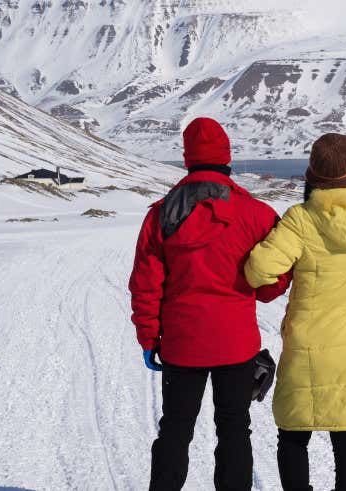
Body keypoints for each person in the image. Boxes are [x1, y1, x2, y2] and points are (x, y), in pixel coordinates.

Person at [129, 117, 290, 491]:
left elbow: (145, 285)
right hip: (236, 345)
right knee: (234, 428)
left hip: (182, 345)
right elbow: (271, 283)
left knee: (175, 428)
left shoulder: (161, 214)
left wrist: (149, 338)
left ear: (188, 158)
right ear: (226, 156)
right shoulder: (257, 214)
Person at [243, 134, 346, 491]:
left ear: (312, 175)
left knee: (294, 435)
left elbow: (258, 270)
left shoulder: (301, 219)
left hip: (309, 349)